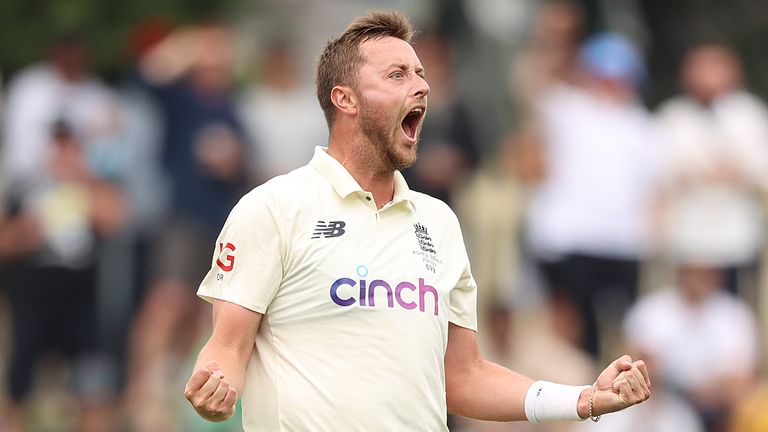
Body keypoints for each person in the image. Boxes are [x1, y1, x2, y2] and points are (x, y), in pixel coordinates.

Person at [184, 10, 650, 431]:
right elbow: (226, 348)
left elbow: (464, 377)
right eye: (398, 74)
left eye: (421, 74)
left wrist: (585, 399)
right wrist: (215, 390)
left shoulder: (439, 222)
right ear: (345, 99)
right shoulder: (274, 207)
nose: (422, 85)